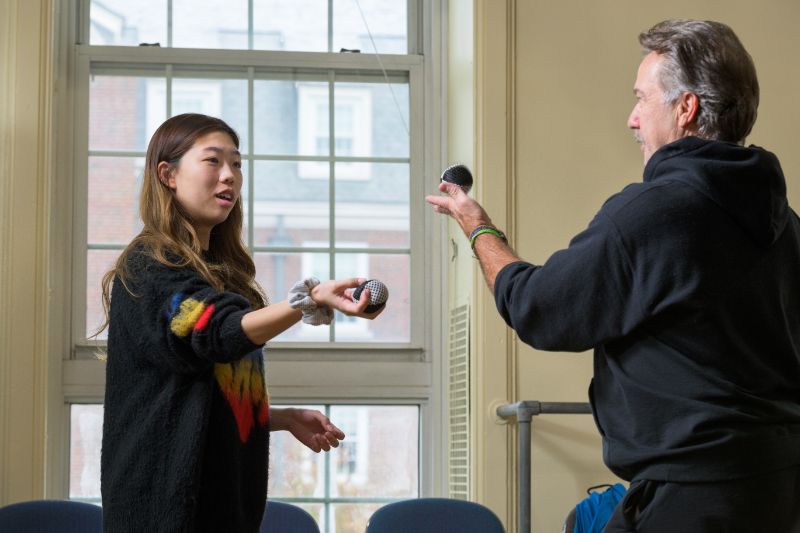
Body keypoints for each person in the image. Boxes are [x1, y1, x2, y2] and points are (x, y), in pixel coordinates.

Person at [427, 19, 800, 532]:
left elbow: (536, 308)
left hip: (693, 498)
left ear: (685, 108)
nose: (631, 119)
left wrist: (476, 226)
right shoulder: (785, 224)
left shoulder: (655, 212)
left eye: (641, 99)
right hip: (777, 489)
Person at [98, 113, 381, 532]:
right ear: (168, 174)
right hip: (163, 512)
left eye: (237, 163)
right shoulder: (150, 267)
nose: (229, 176)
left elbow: (204, 392)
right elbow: (217, 333)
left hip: (224, 507)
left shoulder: (225, 275)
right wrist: (309, 301)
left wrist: (276, 417)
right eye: (212, 161)